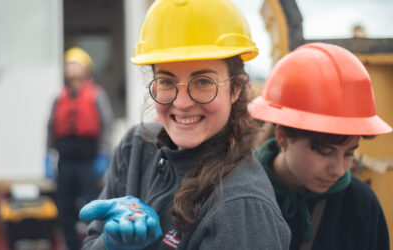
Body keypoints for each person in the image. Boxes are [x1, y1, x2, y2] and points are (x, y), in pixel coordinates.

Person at [78, 0, 291, 249]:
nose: (182, 102)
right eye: (167, 82)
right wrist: (107, 244)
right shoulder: (135, 150)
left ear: (236, 89)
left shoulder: (242, 208)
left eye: (202, 82)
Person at [249, 43, 392, 250]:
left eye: (349, 154)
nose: (339, 170)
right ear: (283, 137)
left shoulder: (362, 205)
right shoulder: (241, 196)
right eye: (325, 152)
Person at [45, 47, 114, 250]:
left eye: (75, 64)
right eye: (68, 65)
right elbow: (50, 126)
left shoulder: (96, 95)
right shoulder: (59, 97)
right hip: (65, 161)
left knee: (91, 204)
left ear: (86, 69)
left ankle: (93, 245)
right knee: (65, 206)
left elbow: (106, 124)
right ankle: (71, 245)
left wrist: (104, 154)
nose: (71, 69)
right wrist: (48, 156)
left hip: (88, 160)